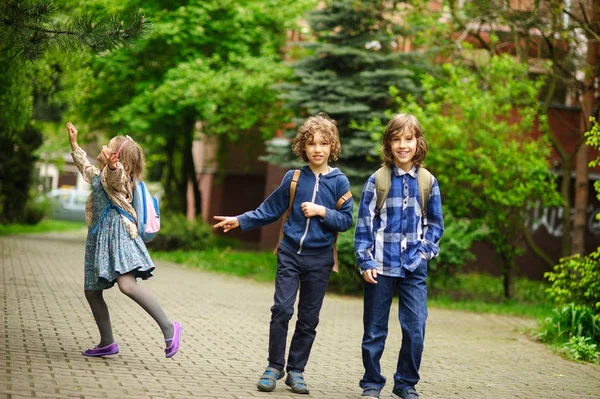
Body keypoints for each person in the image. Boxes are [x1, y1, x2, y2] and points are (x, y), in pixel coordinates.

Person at [213, 113, 353, 395]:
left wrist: (322, 212)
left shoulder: (339, 182)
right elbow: (268, 210)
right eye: (311, 143)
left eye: (323, 144)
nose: (317, 149)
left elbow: (346, 220)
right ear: (303, 146)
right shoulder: (294, 178)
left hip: (320, 259)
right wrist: (240, 220)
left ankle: (296, 371)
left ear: (332, 147)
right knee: (282, 310)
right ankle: (274, 366)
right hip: (290, 253)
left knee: (308, 319)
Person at [67, 122, 182, 359]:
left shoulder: (119, 178)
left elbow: (116, 177)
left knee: (127, 285)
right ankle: (107, 342)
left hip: (119, 236)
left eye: (108, 146)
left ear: (117, 157)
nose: (102, 146)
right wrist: (74, 143)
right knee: (91, 290)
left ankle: (169, 326)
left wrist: (113, 166)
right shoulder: (99, 176)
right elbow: (85, 168)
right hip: (99, 239)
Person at [354, 114, 444, 399]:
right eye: (396, 139)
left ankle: (405, 383)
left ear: (418, 143)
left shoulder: (428, 181)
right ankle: (371, 383)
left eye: (408, 139)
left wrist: (423, 253)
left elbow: (435, 225)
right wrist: (365, 261)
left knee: (416, 328)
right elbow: (364, 225)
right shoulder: (377, 180)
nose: (402, 145)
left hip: (414, 267)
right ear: (388, 144)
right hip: (380, 266)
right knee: (374, 331)